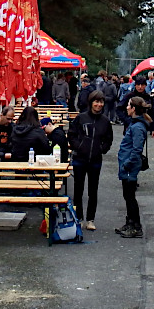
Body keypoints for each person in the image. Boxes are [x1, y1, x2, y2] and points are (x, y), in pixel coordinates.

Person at [67, 91, 114, 231]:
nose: (99, 104)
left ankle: (90, 219)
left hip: (95, 160)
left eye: (101, 102)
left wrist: (102, 149)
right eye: (96, 101)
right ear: (91, 102)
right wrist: (78, 146)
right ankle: (78, 217)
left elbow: (109, 139)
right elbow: (71, 134)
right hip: (80, 159)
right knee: (78, 189)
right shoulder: (81, 118)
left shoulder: (105, 121)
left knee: (93, 190)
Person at [116, 96, 150, 239]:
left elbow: (137, 149)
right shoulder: (135, 124)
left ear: (134, 108)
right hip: (127, 165)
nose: (127, 107)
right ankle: (130, 222)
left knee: (130, 197)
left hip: (129, 167)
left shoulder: (137, 127)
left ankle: (136, 226)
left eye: (129, 105)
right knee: (127, 195)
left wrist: (128, 163)